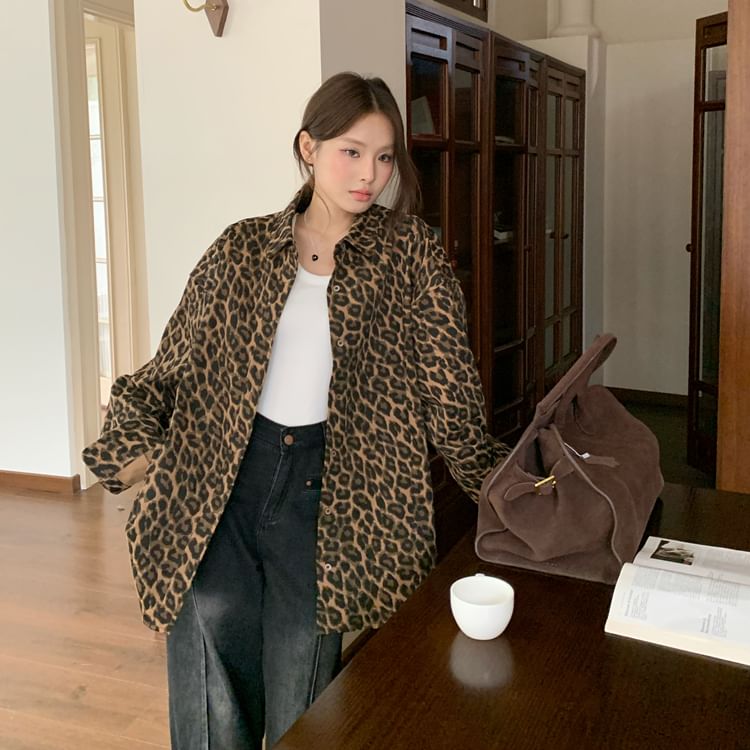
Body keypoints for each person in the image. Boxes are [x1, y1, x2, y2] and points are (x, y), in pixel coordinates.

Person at [82, 72, 509, 750]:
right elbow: (167, 373)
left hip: (331, 497)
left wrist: (516, 492)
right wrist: (136, 455)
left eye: (384, 156)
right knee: (210, 693)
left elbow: (451, 397)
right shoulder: (241, 249)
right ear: (309, 148)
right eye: (351, 152)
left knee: (303, 703)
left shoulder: (409, 255)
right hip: (222, 486)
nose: (369, 174)